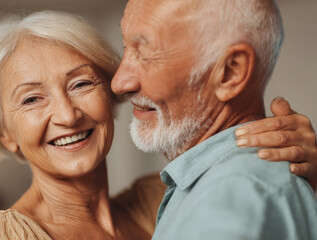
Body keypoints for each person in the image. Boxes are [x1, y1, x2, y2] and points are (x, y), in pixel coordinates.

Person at [0, 11, 317, 240]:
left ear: (112, 94)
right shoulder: (8, 235)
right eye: (32, 99)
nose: (67, 115)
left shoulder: (159, 196)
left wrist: (309, 177)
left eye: (81, 84)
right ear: (5, 134)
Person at [111, 0, 317, 239]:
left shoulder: (233, 194)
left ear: (231, 72)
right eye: (126, 47)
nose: (119, 82)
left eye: (145, 54)